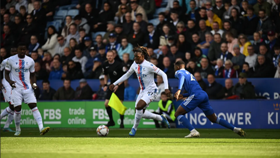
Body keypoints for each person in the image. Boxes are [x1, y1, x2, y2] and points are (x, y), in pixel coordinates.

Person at [173, 60, 245, 138]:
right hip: (203, 95)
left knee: (178, 114)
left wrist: (179, 90)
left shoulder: (179, 72)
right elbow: (194, 89)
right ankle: (235, 128)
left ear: (177, 66)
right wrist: (183, 95)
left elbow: (181, 77)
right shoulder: (190, 74)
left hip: (196, 96)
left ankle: (193, 131)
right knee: (213, 118)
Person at [109, 46, 170, 136]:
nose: (135, 59)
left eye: (137, 57)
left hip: (152, 90)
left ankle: (134, 129)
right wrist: (114, 83)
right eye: (134, 57)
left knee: (139, 107)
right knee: (140, 112)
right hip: (142, 91)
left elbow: (163, 74)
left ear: (142, 56)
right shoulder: (134, 64)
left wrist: (166, 88)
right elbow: (127, 75)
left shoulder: (149, 65)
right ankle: (161, 118)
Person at [5, 44, 50, 136]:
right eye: (20, 49)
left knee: (33, 106)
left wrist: (33, 84)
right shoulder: (10, 60)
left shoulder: (30, 60)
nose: (22, 51)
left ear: (26, 50)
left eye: (24, 50)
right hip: (16, 88)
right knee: (17, 109)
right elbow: (6, 74)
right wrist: (10, 82)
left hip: (27, 88)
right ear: (17, 50)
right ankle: (18, 129)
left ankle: (41, 128)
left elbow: (33, 74)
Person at [102, 50, 126, 128]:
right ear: (106, 56)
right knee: (106, 103)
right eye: (108, 56)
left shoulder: (119, 64)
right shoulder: (105, 64)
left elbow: (124, 77)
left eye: (111, 56)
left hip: (120, 85)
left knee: (120, 105)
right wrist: (105, 84)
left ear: (114, 56)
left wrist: (118, 85)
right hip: (111, 85)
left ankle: (122, 123)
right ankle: (111, 121)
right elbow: (105, 75)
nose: (109, 57)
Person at [0, 57, 15, 132]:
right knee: (13, 105)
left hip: (15, 85)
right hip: (6, 85)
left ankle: (6, 126)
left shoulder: (21, 61)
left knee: (14, 106)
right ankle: (6, 126)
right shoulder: (5, 62)